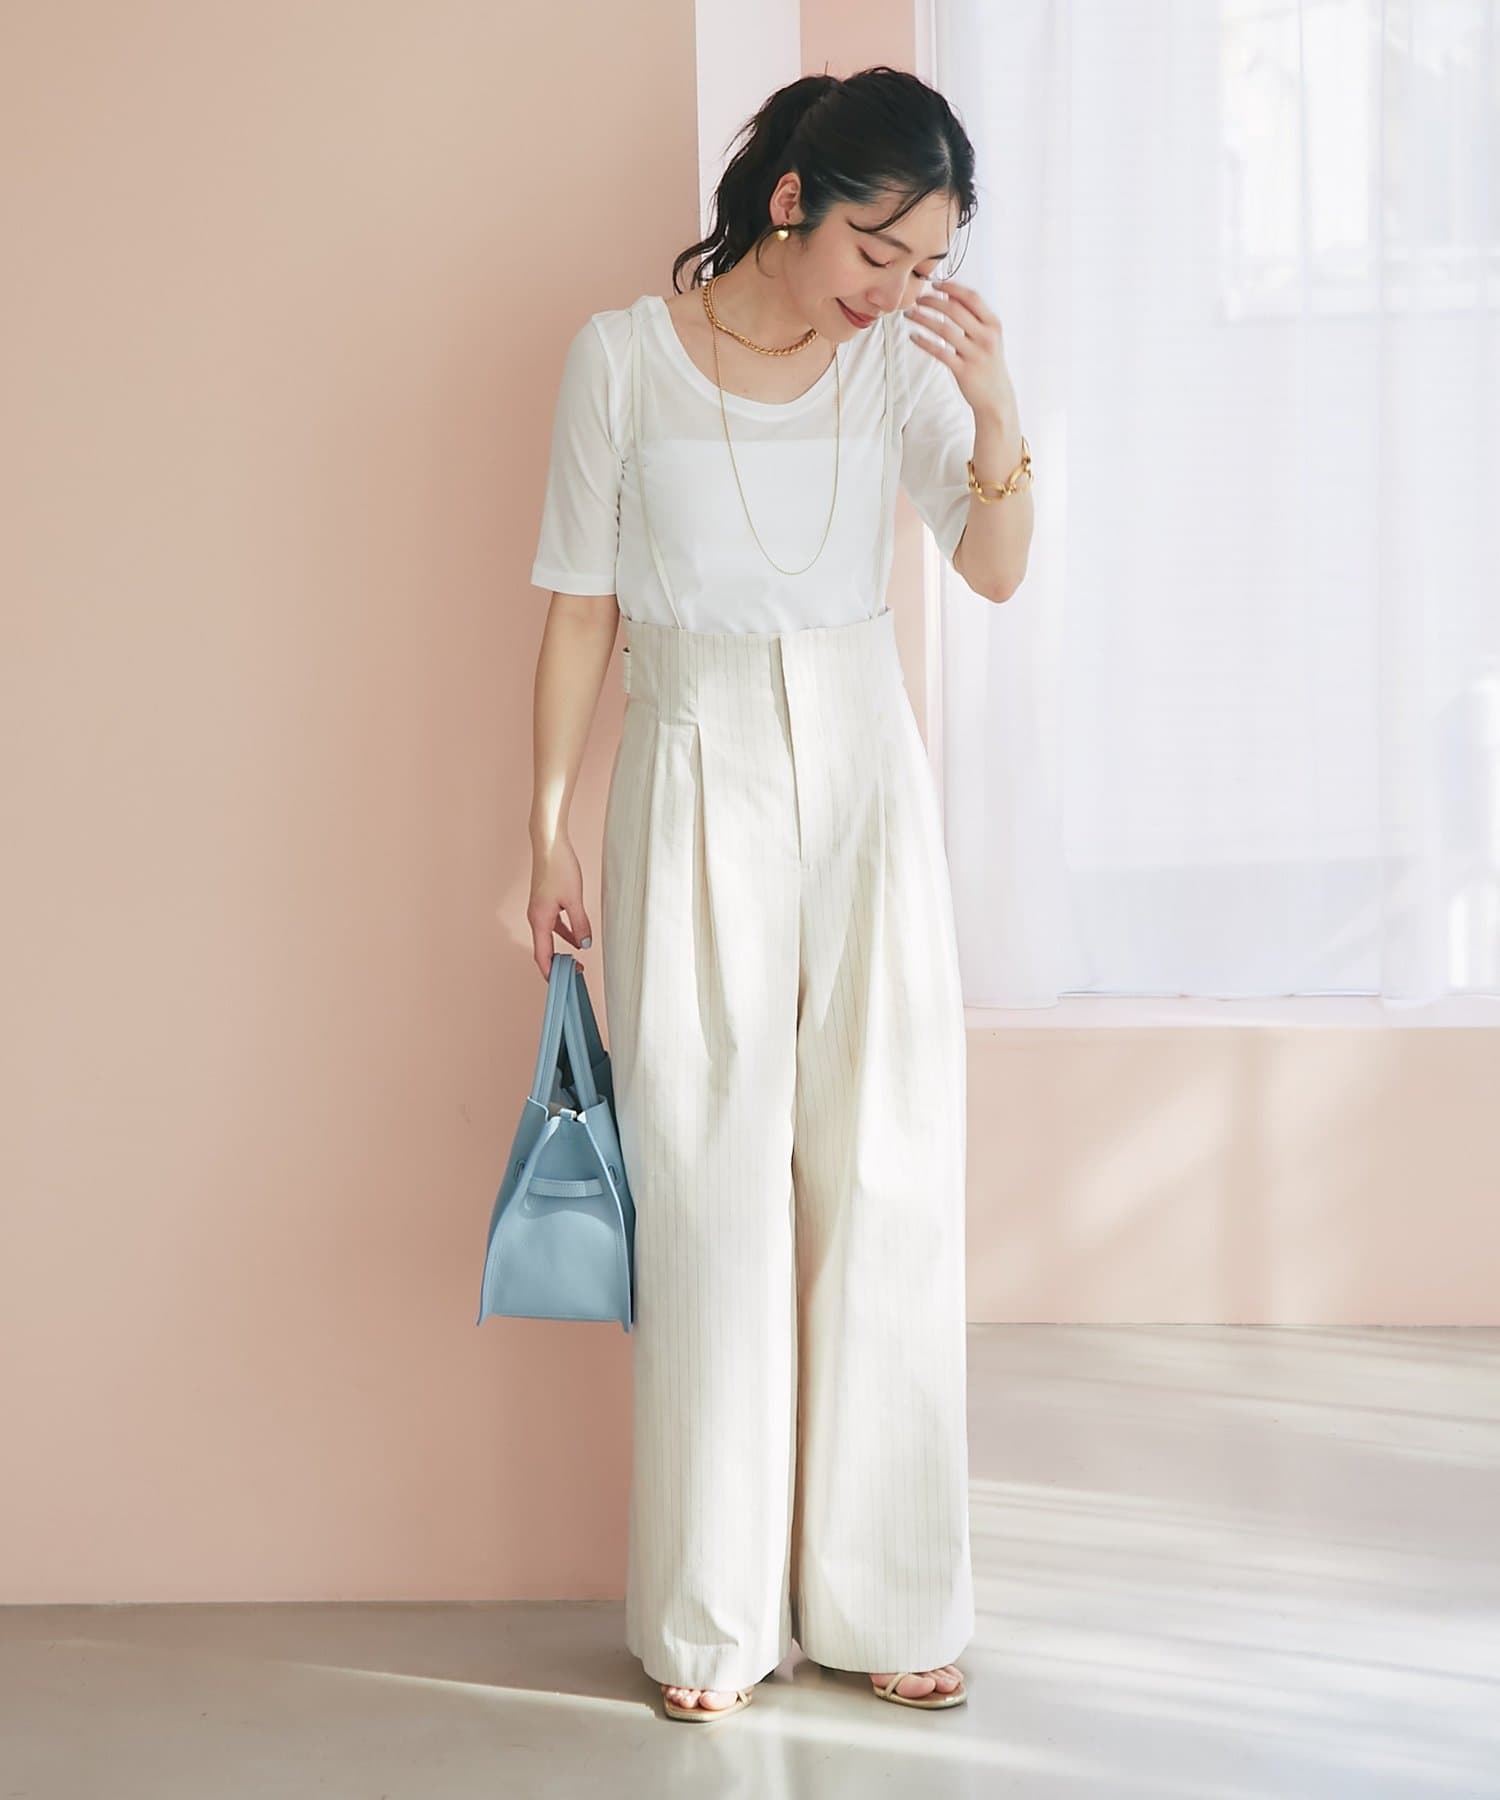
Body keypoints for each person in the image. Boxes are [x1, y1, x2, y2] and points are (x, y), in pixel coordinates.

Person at [524, 65, 1031, 1723]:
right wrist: (546, 825)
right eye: (880, 252)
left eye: (929, 264)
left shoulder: (892, 370)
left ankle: (890, 1596)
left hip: (865, 766)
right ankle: (714, 1617)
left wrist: (998, 408)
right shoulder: (620, 360)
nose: (898, 289)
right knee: (708, 1184)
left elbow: (993, 563)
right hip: (691, 759)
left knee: (890, 1169)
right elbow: (579, 606)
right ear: (796, 200)